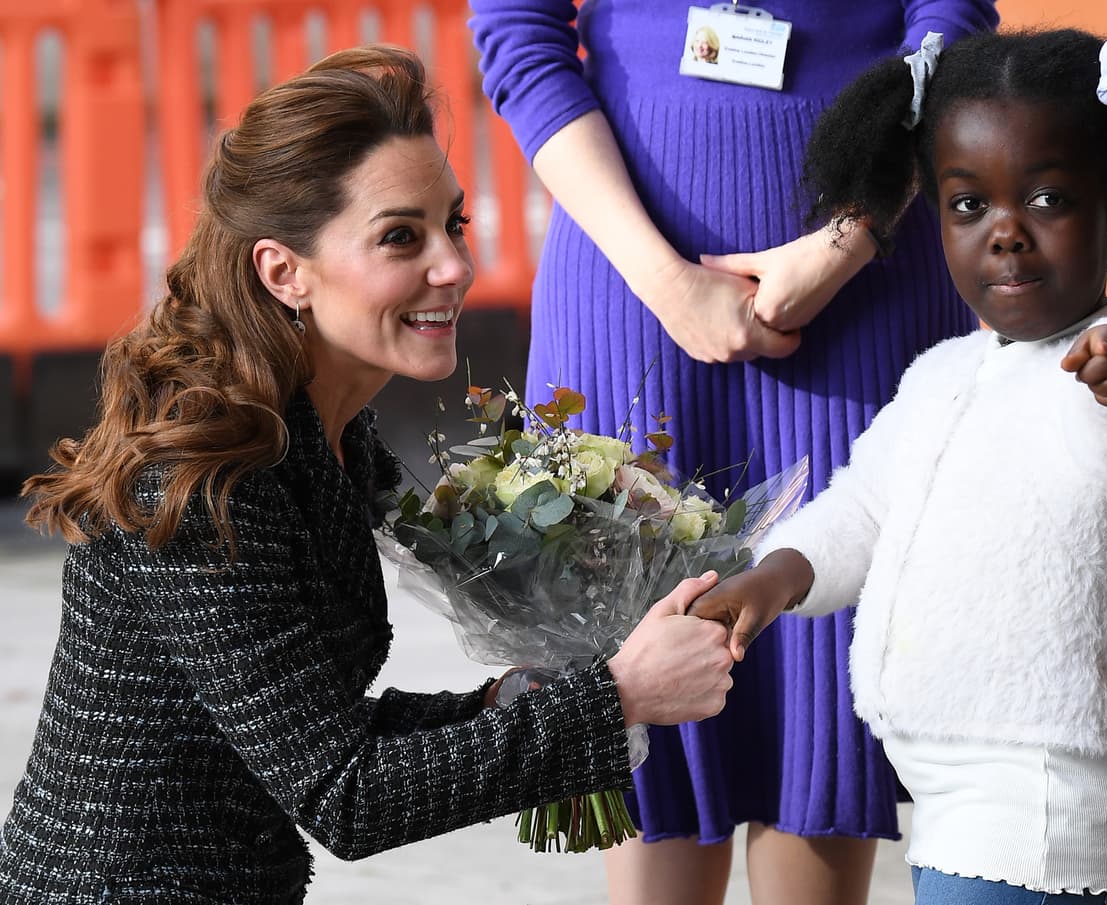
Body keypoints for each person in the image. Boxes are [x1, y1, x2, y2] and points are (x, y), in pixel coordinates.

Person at [0, 45, 737, 903]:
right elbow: (345, 793)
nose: (455, 266)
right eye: (401, 236)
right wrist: (616, 697)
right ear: (284, 272)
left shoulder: (328, 436)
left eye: (453, 224)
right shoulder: (206, 474)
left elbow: (323, 734)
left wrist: (511, 698)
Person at [689, 21, 1107, 905]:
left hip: (1044, 802)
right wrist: (773, 579)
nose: (1005, 232)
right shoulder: (944, 373)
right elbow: (863, 508)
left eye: (1047, 200)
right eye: (969, 206)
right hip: (967, 801)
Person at [470, 2, 998, 903]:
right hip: (626, 279)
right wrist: (664, 281)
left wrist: (850, 238)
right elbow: (518, 32)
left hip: (868, 275)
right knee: (645, 686)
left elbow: (951, 23)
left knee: (827, 687)